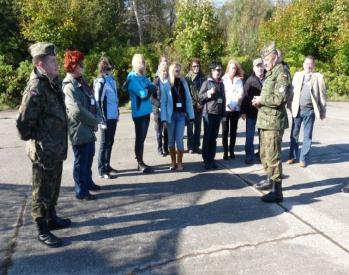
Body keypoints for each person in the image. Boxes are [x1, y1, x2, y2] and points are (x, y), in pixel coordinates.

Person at [16, 42, 71, 248]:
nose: (57, 64)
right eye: (53, 61)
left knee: (54, 185)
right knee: (41, 190)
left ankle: (51, 217)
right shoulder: (37, 86)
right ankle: (42, 228)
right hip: (43, 149)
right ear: (41, 63)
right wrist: (36, 139)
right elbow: (23, 122)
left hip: (55, 148)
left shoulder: (52, 82)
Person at [252, 42, 291, 203]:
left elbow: (281, 98)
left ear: (274, 58)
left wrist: (262, 99)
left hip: (274, 123)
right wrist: (259, 101)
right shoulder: (271, 73)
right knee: (264, 154)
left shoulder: (281, 73)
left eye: (266, 59)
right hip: (265, 121)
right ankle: (270, 180)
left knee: (273, 156)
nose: (264, 63)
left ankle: (277, 192)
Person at [63, 50, 102, 201]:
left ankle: (88, 182)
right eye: (80, 64)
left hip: (88, 127)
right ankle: (81, 190)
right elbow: (77, 111)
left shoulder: (82, 82)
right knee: (81, 161)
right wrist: (95, 120)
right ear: (72, 66)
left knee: (89, 157)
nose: (83, 67)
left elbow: (93, 100)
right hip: (79, 129)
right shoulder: (69, 87)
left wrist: (97, 117)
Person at [287, 56, 326, 167]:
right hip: (297, 110)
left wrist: (322, 111)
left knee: (307, 136)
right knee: (294, 135)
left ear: (313, 65)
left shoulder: (318, 77)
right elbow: (291, 91)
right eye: (306, 63)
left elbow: (322, 96)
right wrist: (289, 105)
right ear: (303, 64)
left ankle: (303, 159)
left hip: (310, 111)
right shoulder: (297, 75)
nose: (308, 66)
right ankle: (292, 157)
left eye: (311, 64)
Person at [125, 53, 156, 173]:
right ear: (134, 64)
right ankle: (139, 163)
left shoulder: (143, 77)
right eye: (139, 62)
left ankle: (140, 160)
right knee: (139, 139)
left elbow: (152, 86)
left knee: (142, 138)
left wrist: (149, 89)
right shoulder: (132, 79)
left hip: (146, 112)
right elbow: (142, 94)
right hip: (138, 114)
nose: (142, 64)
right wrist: (149, 89)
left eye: (143, 62)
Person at [161, 63, 195, 171]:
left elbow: (189, 100)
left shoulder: (184, 83)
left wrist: (191, 116)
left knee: (179, 139)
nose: (179, 72)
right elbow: (163, 103)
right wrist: (164, 119)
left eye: (179, 70)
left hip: (181, 115)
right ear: (172, 71)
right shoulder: (166, 85)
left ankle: (180, 162)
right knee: (171, 140)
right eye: (176, 71)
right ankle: (173, 162)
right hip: (171, 116)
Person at [94, 57, 119, 179]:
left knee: (110, 141)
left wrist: (117, 113)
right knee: (104, 143)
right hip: (106, 118)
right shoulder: (100, 82)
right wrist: (102, 120)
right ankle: (101, 169)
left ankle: (107, 165)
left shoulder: (112, 80)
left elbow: (115, 98)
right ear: (103, 70)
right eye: (108, 68)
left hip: (113, 116)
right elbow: (98, 101)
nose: (111, 70)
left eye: (111, 67)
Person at [199, 61, 226, 169]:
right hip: (208, 113)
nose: (219, 72)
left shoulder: (221, 84)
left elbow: (223, 99)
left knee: (214, 138)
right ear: (212, 71)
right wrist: (208, 93)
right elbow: (200, 97)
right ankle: (206, 160)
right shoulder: (207, 83)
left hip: (218, 114)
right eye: (217, 70)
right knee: (207, 137)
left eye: (220, 70)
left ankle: (212, 159)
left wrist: (223, 114)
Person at [241, 58, 265, 164]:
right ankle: (249, 155)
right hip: (251, 113)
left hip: (264, 113)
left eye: (261, 66)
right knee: (249, 135)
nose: (260, 68)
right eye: (257, 66)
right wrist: (243, 111)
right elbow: (245, 97)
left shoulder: (269, 78)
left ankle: (261, 155)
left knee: (263, 136)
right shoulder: (250, 80)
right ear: (253, 68)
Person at [221, 59, 244, 160]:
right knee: (225, 131)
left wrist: (236, 105)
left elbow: (241, 94)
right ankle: (225, 151)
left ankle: (231, 150)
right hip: (225, 109)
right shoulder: (223, 79)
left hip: (235, 109)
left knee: (233, 131)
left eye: (235, 68)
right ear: (228, 68)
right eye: (232, 68)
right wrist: (227, 104)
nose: (233, 70)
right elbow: (222, 94)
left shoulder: (239, 80)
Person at [185, 58, 206, 154]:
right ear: (191, 67)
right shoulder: (187, 78)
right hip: (191, 106)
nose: (196, 68)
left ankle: (197, 146)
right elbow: (187, 93)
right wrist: (195, 103)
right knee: (190, 126)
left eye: (197, 66)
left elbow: (205, 91)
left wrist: (201, 103)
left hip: (200, 106)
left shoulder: (202, 77)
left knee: (198, 127)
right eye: (194, 66)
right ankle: (190, 146)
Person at [152, 60, 169, 157]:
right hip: (157, 110)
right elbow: (152, 98)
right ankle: (159, 148)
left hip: (167, 110)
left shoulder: (169, 82)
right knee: (159, 131)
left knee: (166, 131)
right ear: (159, 71)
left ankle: (166, 148)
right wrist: (159, 106)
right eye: (163, 70)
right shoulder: (155, 82)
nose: (164, 72)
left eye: (166, 70)